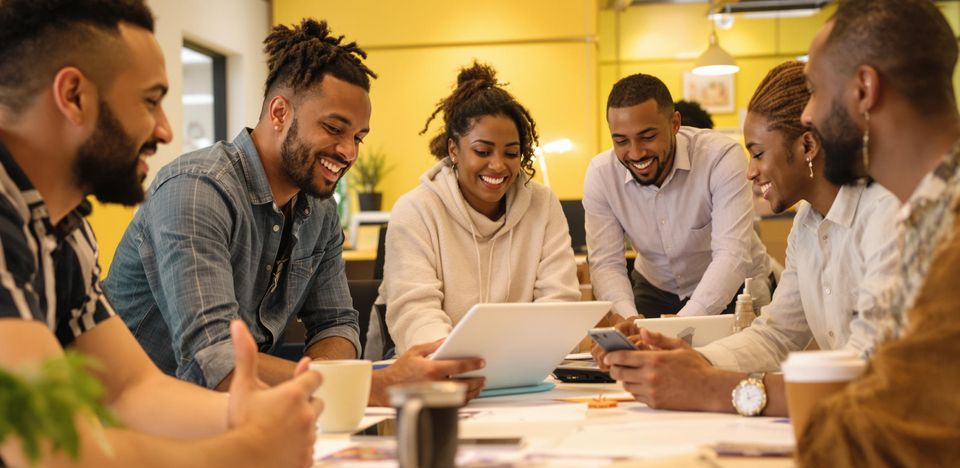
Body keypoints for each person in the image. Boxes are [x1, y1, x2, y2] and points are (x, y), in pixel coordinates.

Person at [0, 1, 325, 468]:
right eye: (150, 101)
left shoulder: (59, 221)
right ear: (73, 96)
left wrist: (244, 414)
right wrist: (252, 453)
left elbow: (127, 390)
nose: (164, 130)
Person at [104, 20, 485, 406]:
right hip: (123, 421)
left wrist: (324, 389)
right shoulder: (197, 190)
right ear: (279, 112)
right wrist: (368, 386)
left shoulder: (319, 210)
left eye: (358, 138)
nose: (349, 152)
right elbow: (216, 363)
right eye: (334, 128)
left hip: (234, 415)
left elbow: (337, 325)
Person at [598, 61, 899, 417]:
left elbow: (870, 368)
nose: (750, 171)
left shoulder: (887, 214)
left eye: (757, 154)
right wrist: (690, 359)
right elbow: (777, 334)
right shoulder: (805, 224)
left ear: (807, 145)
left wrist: (709, 387)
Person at [795, 0, 960, 468]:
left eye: (814, 89)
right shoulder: (935, 206)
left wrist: (823, 432)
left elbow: (887, 435)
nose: (806, 114)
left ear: (864, 90)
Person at [368, 63, 580, 357]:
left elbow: (559, 301)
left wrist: (524, 357)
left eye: (511, 153)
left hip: (517, 363)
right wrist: (460, 363)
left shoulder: (542, 205)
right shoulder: (416, 209)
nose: (498, 165)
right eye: (482, 151)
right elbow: (416, 313)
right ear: (453, 150)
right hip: (431, 362)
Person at [584, 74, 772, 324]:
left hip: (732, 285)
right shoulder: (601, 174)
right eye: (621, 141)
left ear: (674, 124)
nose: (636, 153)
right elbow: (606, 263)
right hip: (655, 285)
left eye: (647, 137)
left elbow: (731, 254)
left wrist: (683, 324)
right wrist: (629, 320)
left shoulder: (720, 157)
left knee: (730, 348)